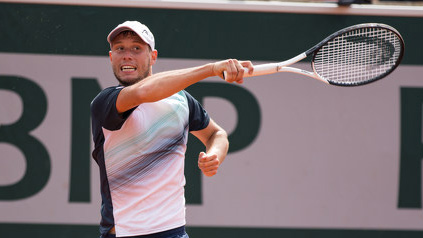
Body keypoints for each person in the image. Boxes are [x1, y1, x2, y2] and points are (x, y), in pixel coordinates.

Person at [90, 20, 254, 238]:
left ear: (153, 57)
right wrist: (212, 69)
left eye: (137, 48)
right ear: (111, 57)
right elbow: (144, 92)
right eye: (120, 48)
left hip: (174, 232)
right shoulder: (105, 102)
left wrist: (215, 154)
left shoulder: (181, 101)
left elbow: (217, 134)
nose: (127, 55)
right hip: (124, 233)